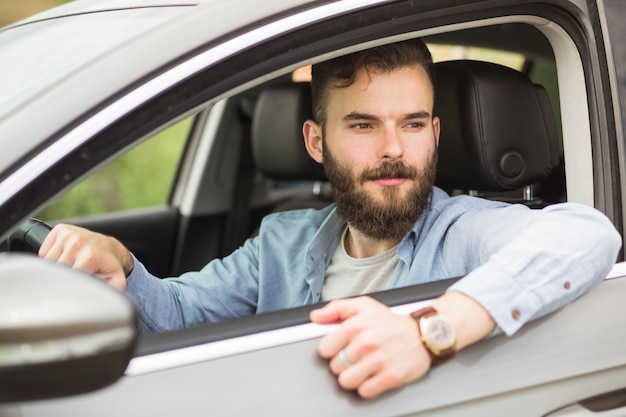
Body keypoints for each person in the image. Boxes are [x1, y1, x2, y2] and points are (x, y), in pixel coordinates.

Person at [39, 38, 621, 399]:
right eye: (364, 125)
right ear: (317, 141)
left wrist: (429, 333)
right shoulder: (281, 243)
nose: (394, 148)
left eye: (413, 123)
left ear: (436, 135)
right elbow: (181, 318)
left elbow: (587, 234)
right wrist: (122, 267)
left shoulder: (464, 230)